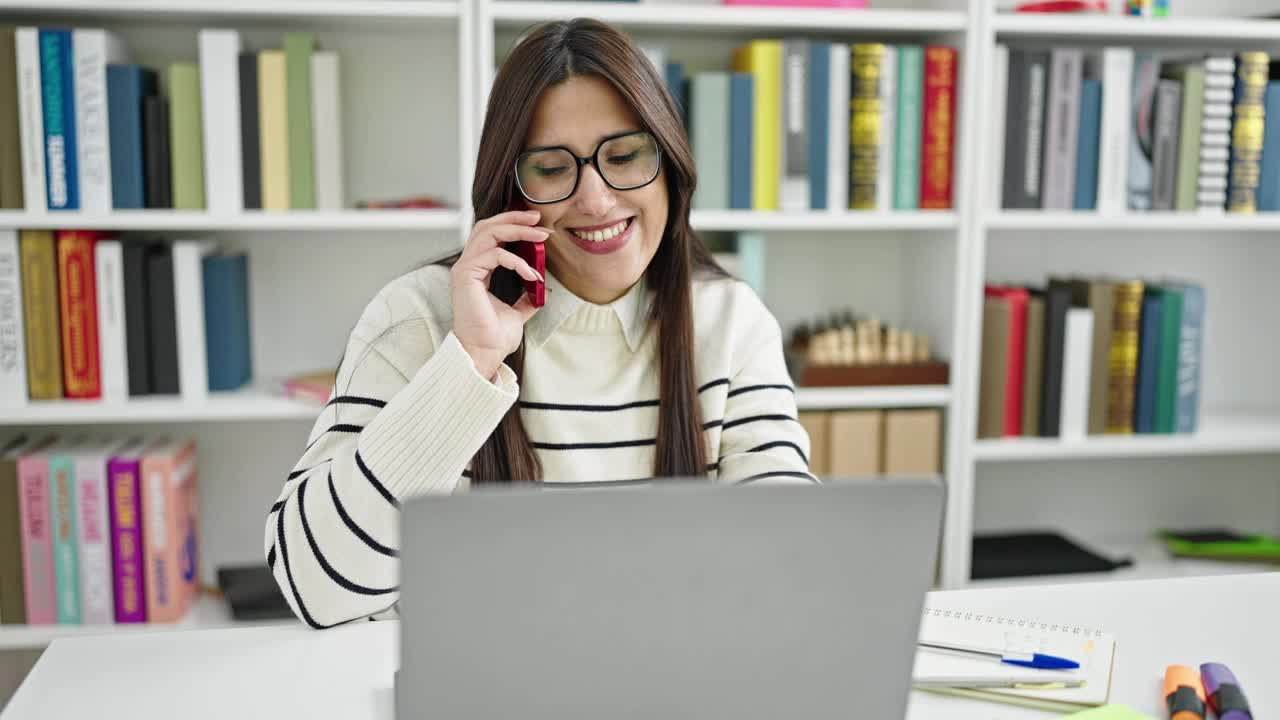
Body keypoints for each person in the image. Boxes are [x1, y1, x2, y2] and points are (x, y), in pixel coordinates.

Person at [264, 18, 816, 629]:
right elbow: (315, 589)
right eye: (553, 169)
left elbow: (792, 569)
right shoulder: (414, 317)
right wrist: (470, 363)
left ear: (670, 166)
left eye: (627, 155)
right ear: (509, 190)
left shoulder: (732, 323)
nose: (597, 200)